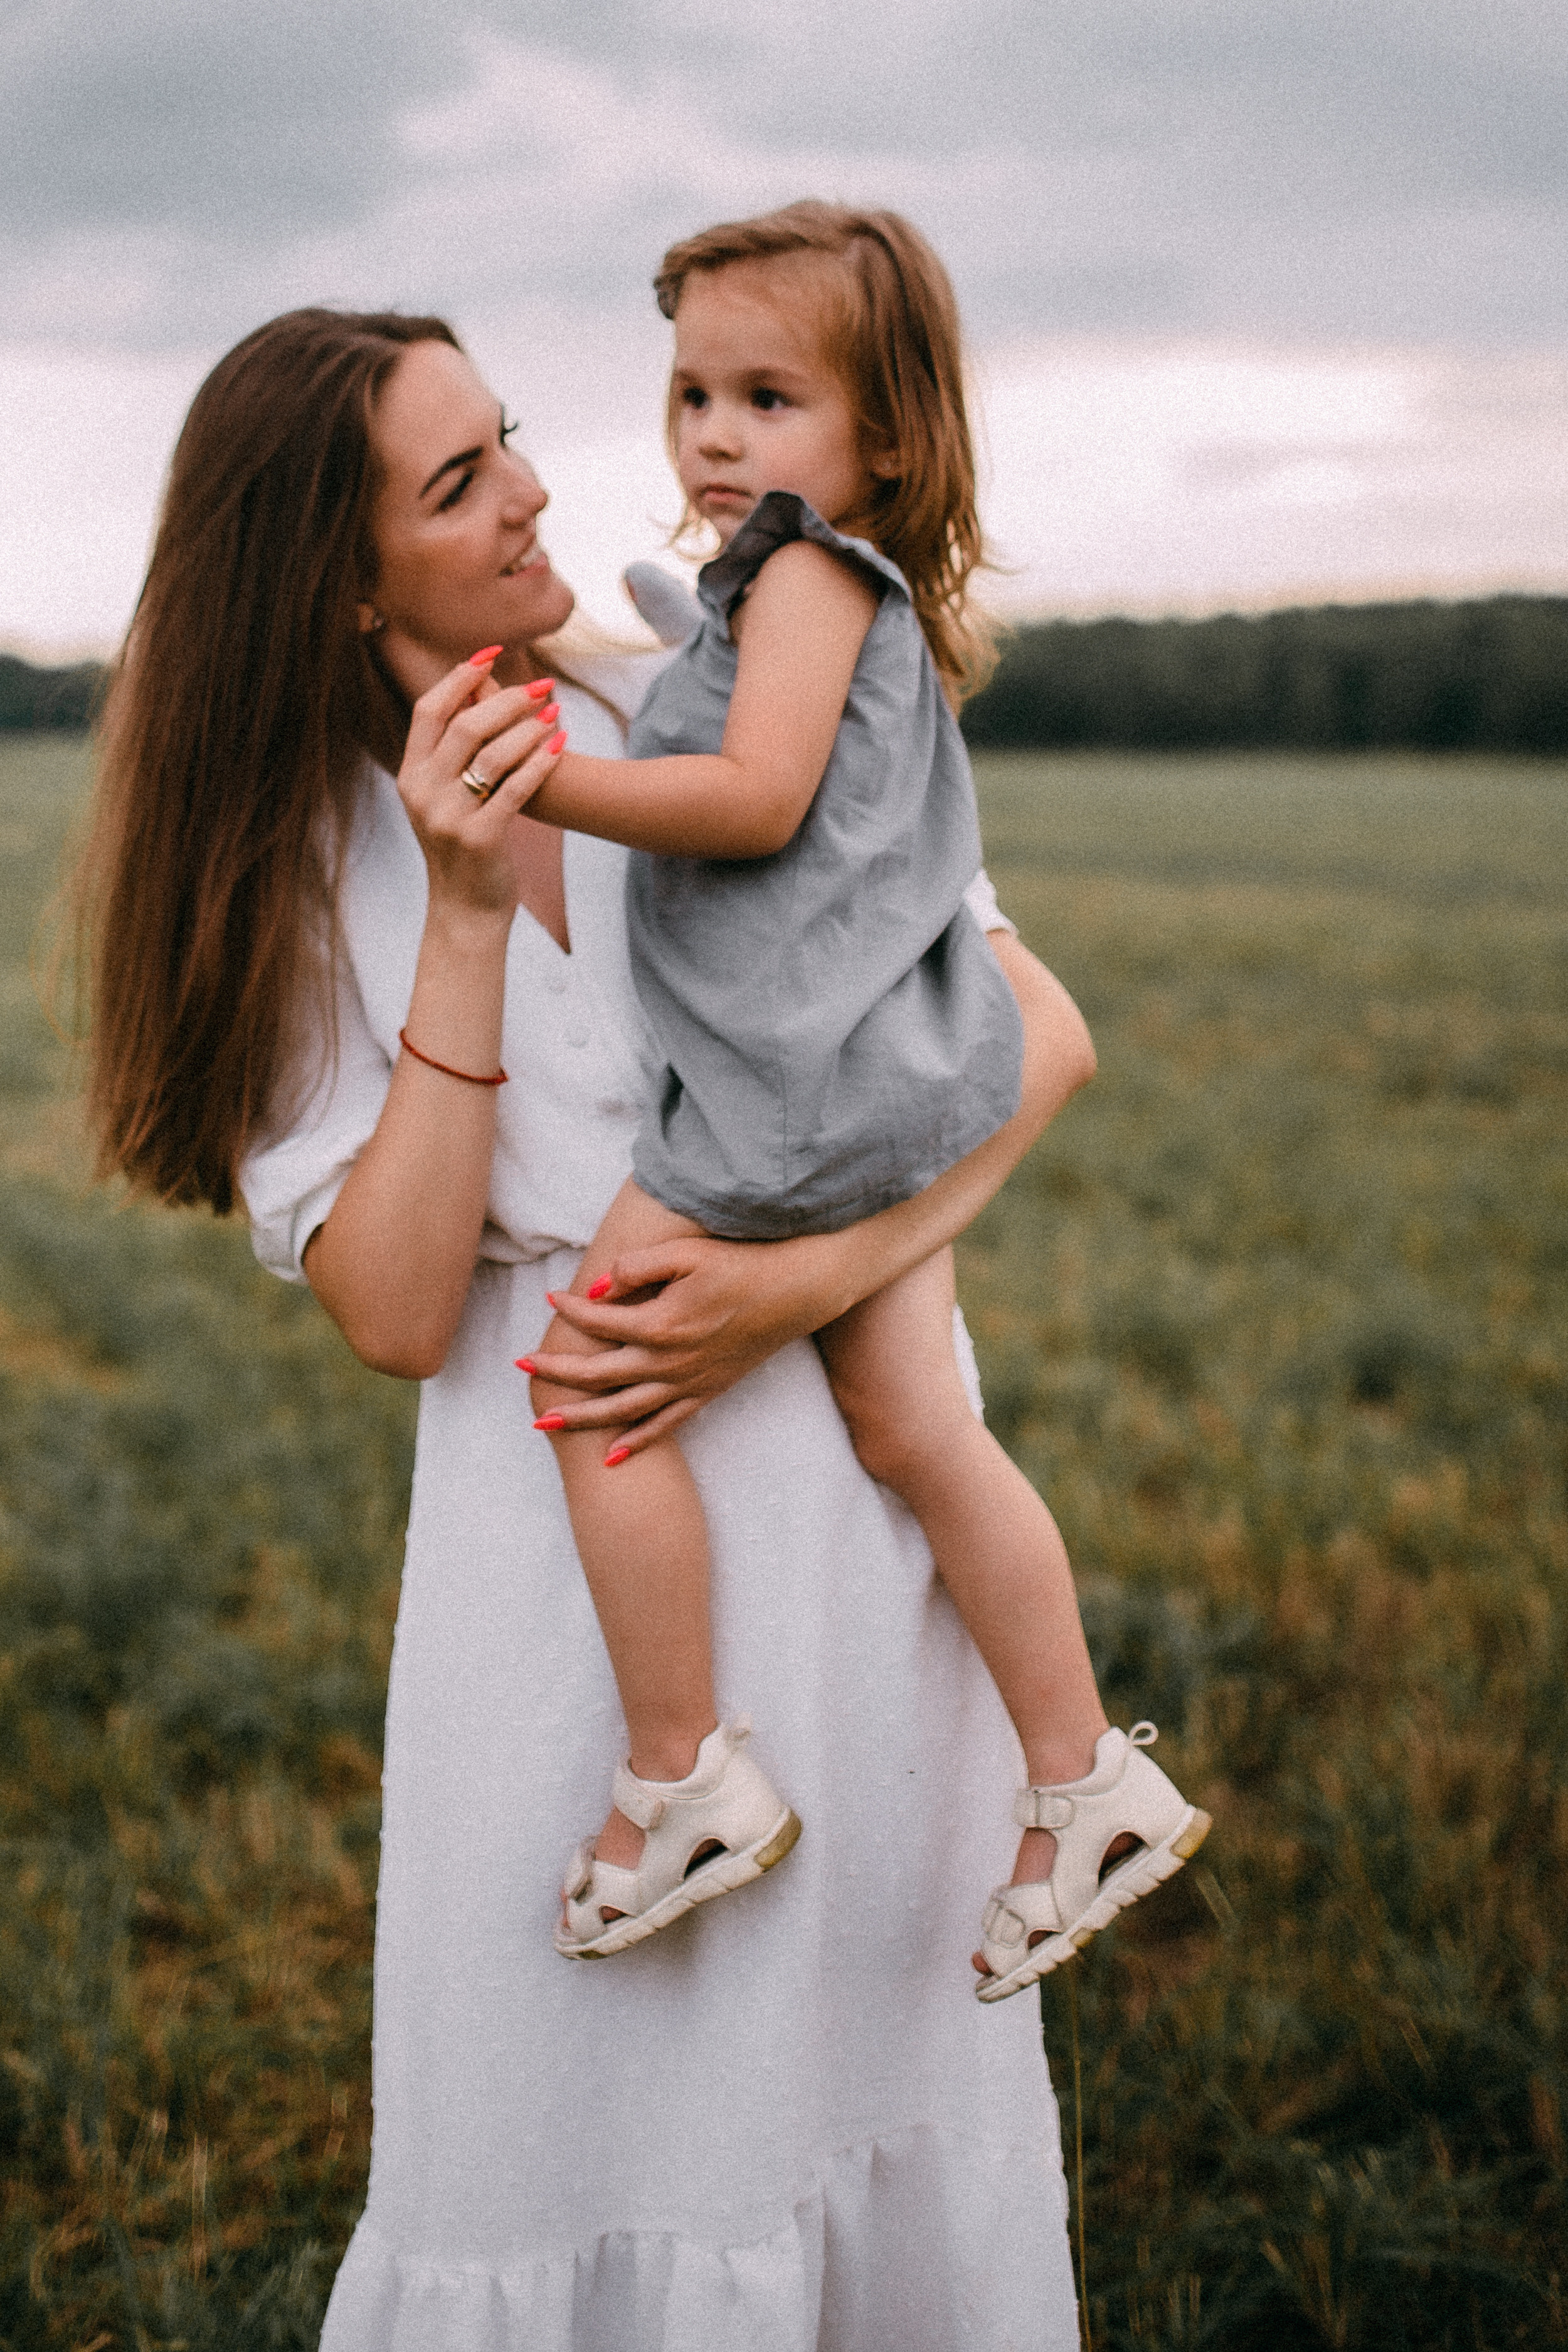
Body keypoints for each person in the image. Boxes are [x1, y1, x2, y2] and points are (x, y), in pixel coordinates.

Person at [77, 302, 1092, 2347]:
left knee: (861, 2086)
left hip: (847, 1512)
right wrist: (459, 914)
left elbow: (1034, 1037)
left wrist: (790, 1287)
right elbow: (387, 1304)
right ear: (334, 576)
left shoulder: (682, 709)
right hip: (567, 1588)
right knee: (548, 2127)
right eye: (459, 483)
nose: (538, 487)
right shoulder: (279, 870)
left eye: (510, 436)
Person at [500, 204, 1207, 1995]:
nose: (713, 435)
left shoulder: (816, 577)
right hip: (891, 1080)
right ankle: (1082, 1777)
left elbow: (746, 796)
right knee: (920, 1432)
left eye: (766, 396)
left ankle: (681, 1779)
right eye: (687, 394)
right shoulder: (793, 591)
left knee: (594, 1390)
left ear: (882, 437)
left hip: (788, 1110)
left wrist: (546, 784)